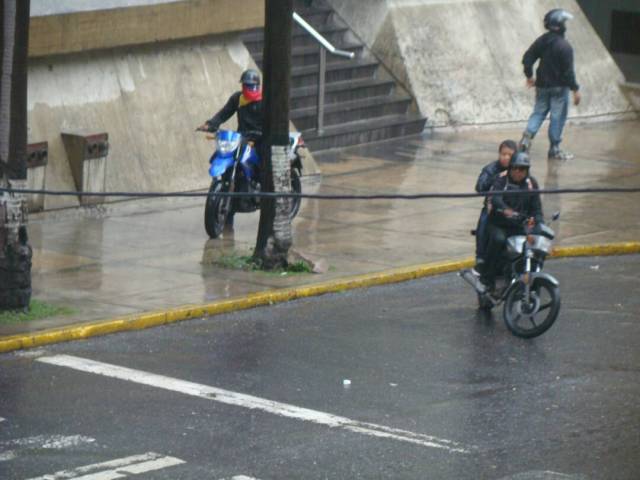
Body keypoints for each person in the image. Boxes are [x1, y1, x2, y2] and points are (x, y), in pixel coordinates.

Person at [198, 69, 263, 227]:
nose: (248, 88)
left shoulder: (265, 101)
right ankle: (228, 217)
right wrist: (210, 124)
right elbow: (224, 113)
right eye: (245, 85)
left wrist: (264, 137)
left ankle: (265, 197)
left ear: (257, 86)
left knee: (265, 169)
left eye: (251, 86)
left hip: (261, 139)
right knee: (229, 167)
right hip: (242, 139)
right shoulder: (238, 99)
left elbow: (272, 122)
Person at [519, 8, 582, 161]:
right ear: (560, 25)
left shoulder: (542, 40)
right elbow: (568, 73)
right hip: (559, 89)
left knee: (538, 113)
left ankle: (525, 142)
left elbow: (527, 58)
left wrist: (529, 76)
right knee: (557, 118)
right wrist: (575, 90)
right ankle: (554, 149)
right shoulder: (565, 46)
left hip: (541, 86)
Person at [480, 151, 544, 290]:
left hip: (520, 225)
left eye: (523, 169)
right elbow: (496, 198)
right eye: (516, 168)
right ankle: (487, 276)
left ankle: (529, 275)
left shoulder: (531, 184)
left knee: (538, 243)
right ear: (511, 168)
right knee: (498, 239)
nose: (518, 172)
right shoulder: (501, 179)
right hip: (499, 224)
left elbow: (537, 209)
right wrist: (505, 209)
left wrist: (538, 224)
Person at [474, 140, 518, 272]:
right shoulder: (490, 169)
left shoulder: (518, 170)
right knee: (484, 221)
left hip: (512, 209)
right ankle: (480, 256)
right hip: (492, 208)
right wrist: (496, 177)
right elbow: (480, 187)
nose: (506, 157)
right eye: (503, 154)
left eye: (509, 155)